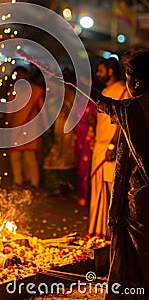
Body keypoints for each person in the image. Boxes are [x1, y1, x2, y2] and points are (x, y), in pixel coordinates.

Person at [91, 48, 149, 299]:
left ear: (135, 80)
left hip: (140, 200)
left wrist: (72, 83)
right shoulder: (133, 109)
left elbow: (108, 106)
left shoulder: (134, 109)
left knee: (138, 254)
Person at [88, 57, 129, 240]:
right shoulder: (105, 91)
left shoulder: (123, 90)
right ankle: (99, 231)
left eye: (100, 70)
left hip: (112, 148)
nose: (97, 74)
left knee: (114, 191)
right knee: (99, 189)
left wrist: (113, 144)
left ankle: (115, 234)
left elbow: (122, 120)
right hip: (99, 146)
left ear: (110, 71)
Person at [6, 66, 46, 189]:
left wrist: (45, 126)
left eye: (21, 75)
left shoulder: (36, 90)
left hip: (31, 127)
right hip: (16, 127)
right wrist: (7, 126)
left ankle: (34, 182)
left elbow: (42, 111)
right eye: (17, 76)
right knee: (16, 156)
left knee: (30, 156)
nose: (19, 78)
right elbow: (9, 111)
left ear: (27, 76)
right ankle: (18, 180)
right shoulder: (13, 91)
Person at [42, 84, 77, 196]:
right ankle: (56, 189)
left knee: (65, 161)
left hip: (68, 134)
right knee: (51, 161)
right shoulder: (56, 98)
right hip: (57, 131)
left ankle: (67, 189)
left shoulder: (70, 96)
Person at [74, 96, 97, 206]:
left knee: (86, 168)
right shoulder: (79, 100)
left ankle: (86, 196)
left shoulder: (93, 101)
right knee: (80, 168)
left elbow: (94, 120)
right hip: (79, 140)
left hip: (88, 139)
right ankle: (82, 193)